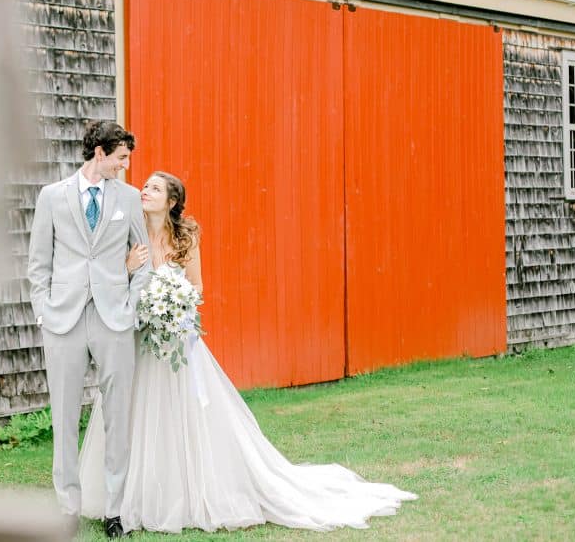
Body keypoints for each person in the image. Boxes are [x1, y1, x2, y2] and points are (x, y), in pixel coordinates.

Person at [78, 171, 417, 533]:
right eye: (144, 186)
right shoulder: (129, 232)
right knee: (133, 416)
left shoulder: (185, 238)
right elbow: (111, 284)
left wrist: (174, 311)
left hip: (175, 342)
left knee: (179, 419)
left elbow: (196, 287)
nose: (145, 191)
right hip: (136, 344)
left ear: (172, 202)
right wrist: (130, 272)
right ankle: (127, 498)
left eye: (155, 188)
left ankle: (183, 495)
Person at [27, 121, 151, 538]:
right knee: (63, 415)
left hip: (114, 318)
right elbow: (38, 262)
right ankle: (67, 508)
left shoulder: (129, 198)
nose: (126, 165)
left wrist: (132, 306)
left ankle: (114, 510)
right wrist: (43, 310)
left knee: (117, 414)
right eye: (121, 157)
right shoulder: (52, 197)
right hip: (62, 320)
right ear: (99, 153)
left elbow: (144, 259)